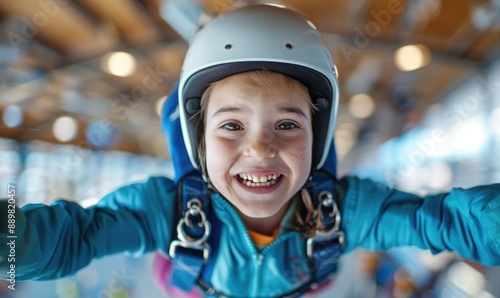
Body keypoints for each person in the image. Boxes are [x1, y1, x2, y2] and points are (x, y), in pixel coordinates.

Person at [1, 4, 500, 298]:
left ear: (317, 138)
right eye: (232, 125)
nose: (260, 147)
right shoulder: (167, 210)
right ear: (198, 142)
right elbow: (71, 236)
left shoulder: (345, 210)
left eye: (286, 124)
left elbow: (446, 221)